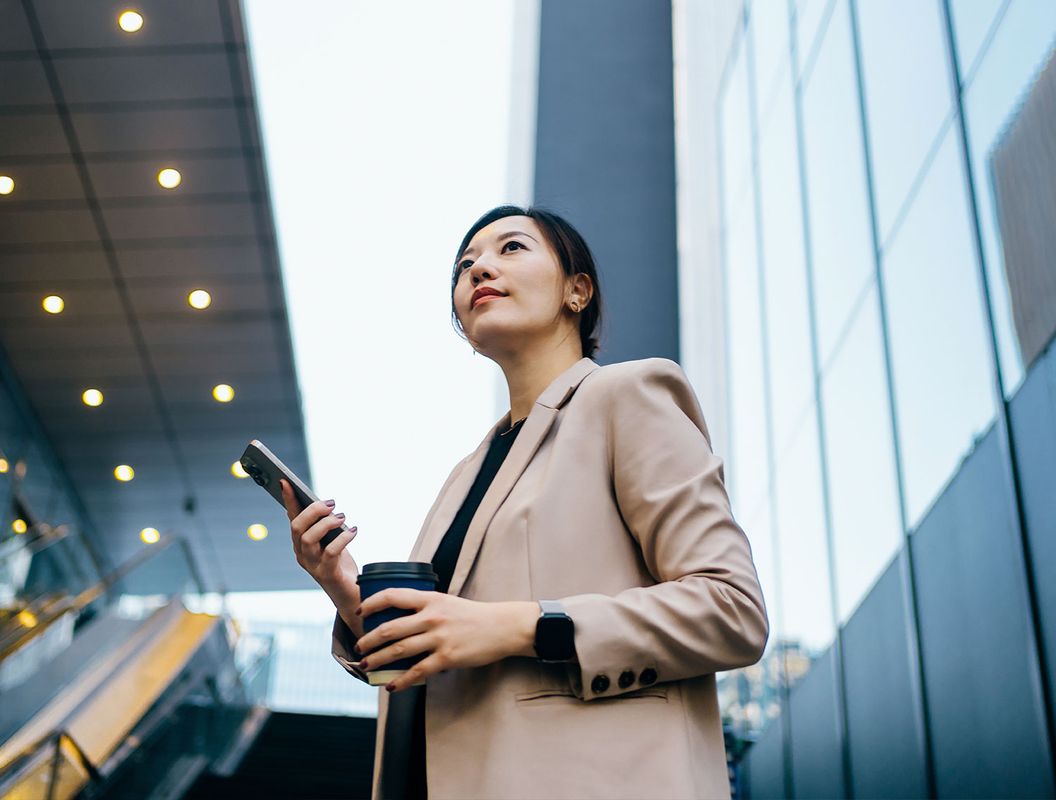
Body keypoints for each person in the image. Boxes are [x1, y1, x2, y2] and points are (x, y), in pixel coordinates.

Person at [279, 205, 769, 799]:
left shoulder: (628, 396)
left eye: (510, 248)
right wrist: (341, 583)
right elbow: (438, 645)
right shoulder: (468, 471)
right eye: (465, 265)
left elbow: (733, 611)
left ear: (577, 290)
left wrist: (519, 625)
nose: (479, 267)